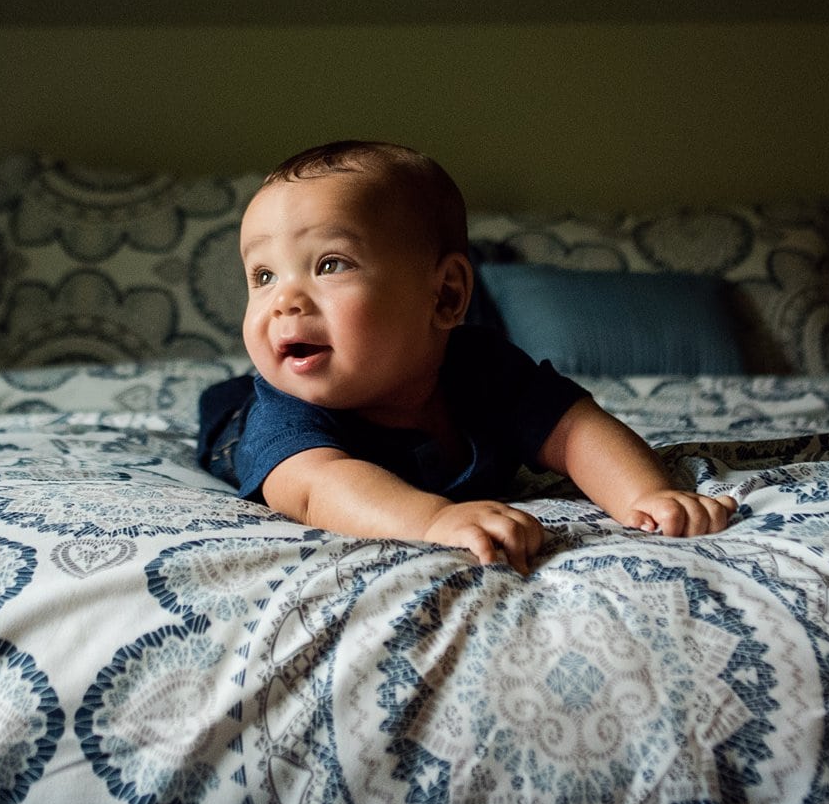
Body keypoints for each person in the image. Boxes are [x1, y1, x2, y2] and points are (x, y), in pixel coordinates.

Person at [196, 140, 737, 574]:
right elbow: (319, 488)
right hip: (238, 423)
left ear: (447, 295)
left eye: (331, 264)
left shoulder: (485, 368)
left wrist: (648, 494)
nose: (284, 300)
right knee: (239, 410)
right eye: (263, 276)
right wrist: (434, 519)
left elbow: (576, 431)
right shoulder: (285, 408)